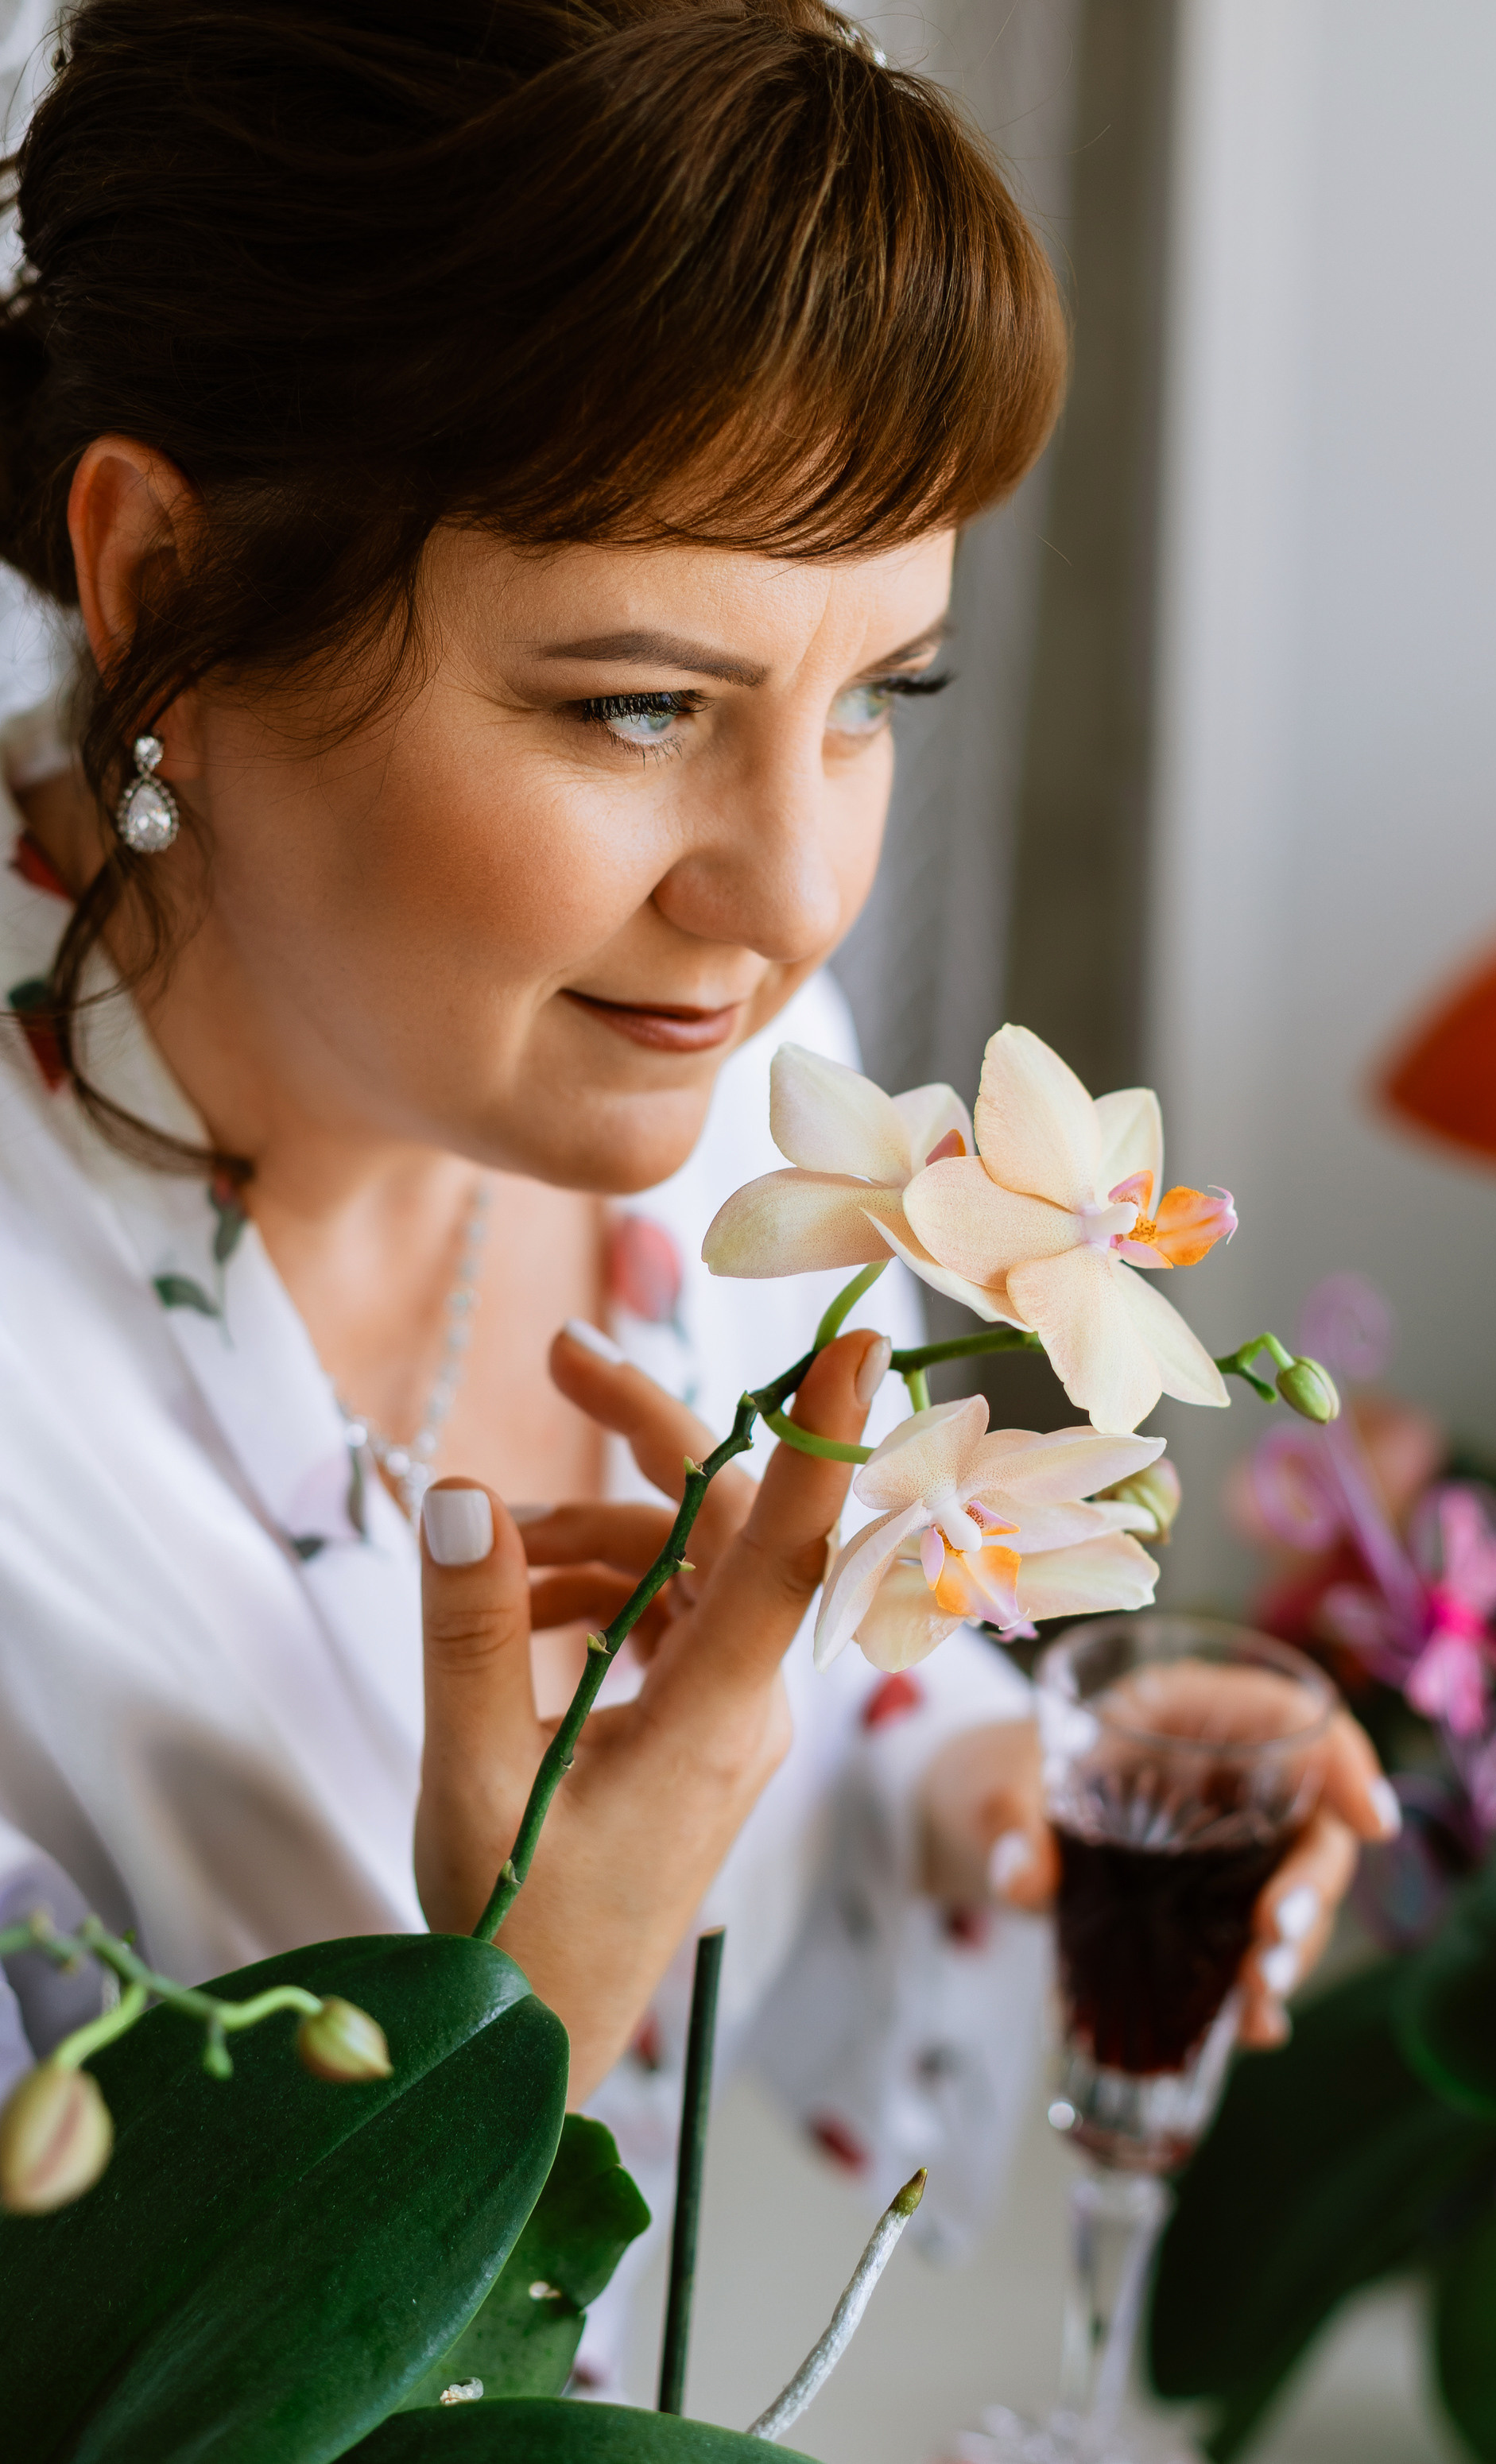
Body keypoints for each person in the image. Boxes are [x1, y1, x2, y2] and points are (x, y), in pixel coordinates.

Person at [0, 0, 1392, 2385]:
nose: (791, 894)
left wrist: (982, 1800)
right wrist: (519, 2013)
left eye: (876, 696)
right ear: (156, 578)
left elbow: (779, 1719)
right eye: (637, 704)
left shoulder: (741, 1092)